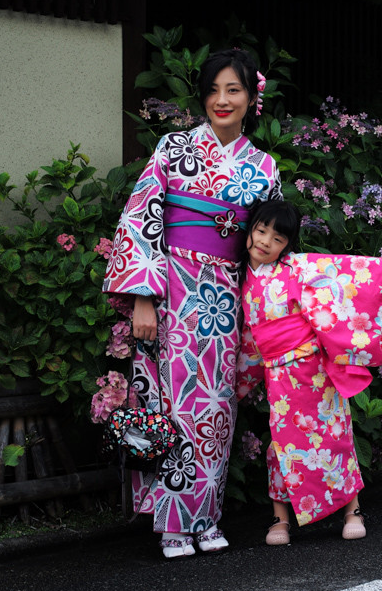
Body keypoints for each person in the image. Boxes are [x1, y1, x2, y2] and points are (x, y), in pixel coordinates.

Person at [102, 48, 282, 559]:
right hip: (172, 289)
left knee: (215, 408)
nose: (221, 100)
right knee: (170, 405)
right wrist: (141, 297)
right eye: (213, 90)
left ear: (252, 98)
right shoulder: (172, 148)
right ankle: (173, 525)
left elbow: (268, 247)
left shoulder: (264, 167)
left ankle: (206, 517)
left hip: (225, 295)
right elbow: (141, 218)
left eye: (234, 90)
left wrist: (266, 308)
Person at [235, 201, 382, 544]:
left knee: (334, 433)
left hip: (314, 371)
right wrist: (238, 383)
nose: (265, 242)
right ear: (249, 231)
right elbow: (248, 338)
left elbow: (346, 271)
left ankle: (353, 510)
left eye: (277, 238)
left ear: (287, 245)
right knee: (281, 444)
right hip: (278, 376)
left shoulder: (297, 267)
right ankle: (279, 518)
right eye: (260, 231)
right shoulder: (240, 279)